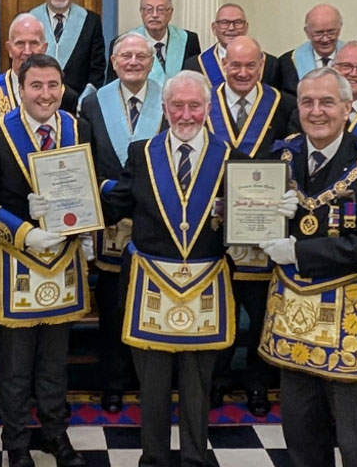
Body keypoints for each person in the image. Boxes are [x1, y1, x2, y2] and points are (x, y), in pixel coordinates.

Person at [258, 67, 357, 467]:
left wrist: (300, 253)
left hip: (350, 318)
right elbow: (253, 220)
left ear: (347, 108)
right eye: (307, 102)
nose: (316, 111)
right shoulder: (279, 155)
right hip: (293, 314)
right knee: (301, 429)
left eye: (327, 102)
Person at [101, 70, 235, 467]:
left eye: (195, 106)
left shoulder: (230, 157)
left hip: (206, 284)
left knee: (197, 384)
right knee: (153, 385)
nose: (186, 114)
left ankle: (196, 457)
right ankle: (154, 458)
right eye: (178, 105)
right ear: (164, 108)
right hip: (150, 286)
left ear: (208, 109)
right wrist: (66, 201)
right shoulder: (142, 153)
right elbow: (117, 203)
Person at [0, 54, 91, 467]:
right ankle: (17, 442)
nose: (46, 94)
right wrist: (24, 228)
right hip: (15, 263)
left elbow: (89, 189)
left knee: (55, 365)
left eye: (53, 85)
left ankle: (56, 435)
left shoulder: (78, 128)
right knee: (16, 367)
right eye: (36, 86)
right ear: (20, 90)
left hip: (64, 262)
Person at [207, 35, 296, 414]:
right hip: (214, 228)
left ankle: (258, 383)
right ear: (224, 64)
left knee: (261, 314)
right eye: (235, 65)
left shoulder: (282, 104)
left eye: (251, 65)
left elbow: (294, 154)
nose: (242, 72)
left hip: (265, 230)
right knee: (219, 310)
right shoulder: (202, 101)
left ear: (261, 66)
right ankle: (215, 381)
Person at [79, 32, 164, 413]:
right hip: (110, 218)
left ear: (151, 61)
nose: (133, 61)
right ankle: (113, 381)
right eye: (126, 55)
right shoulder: (95, 102)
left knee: (153, 301)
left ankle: (150, 382)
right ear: (113, 61)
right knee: (113, 305)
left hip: (155, 218)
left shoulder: (169, 99)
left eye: (140, 56)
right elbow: (86, 155)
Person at [0, 13, 80, 123]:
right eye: (20, 44)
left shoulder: (66, 97)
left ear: (44, 48)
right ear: (9, 49)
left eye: (34, 43)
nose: (27, 51)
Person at [26, 0, 106, 95]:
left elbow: (97, 68)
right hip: (36, 98)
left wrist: (86, 99)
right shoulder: (27, 21)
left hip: (77, 103)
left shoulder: (91, 21)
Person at [109, 0, 201, 82]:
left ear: (170, 13)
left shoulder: (188, 40)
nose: (154, 15)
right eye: (149, 9)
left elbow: (195, 80)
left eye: (160, 10)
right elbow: (113, 84)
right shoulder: (122, 43)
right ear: (141, 12)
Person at [182, 3, 279, 89]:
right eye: (224, 23)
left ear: (246, 27)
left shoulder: (270, 64)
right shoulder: (194, 65)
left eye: (238, 23)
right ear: (214, 28)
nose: (231, 28)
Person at [275, 4, 357, 96]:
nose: (325, 39)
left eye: (331, 32)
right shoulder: (287, 64)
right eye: (318, 33)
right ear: (307, 32)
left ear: (339, 29)